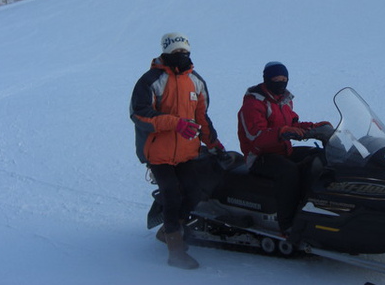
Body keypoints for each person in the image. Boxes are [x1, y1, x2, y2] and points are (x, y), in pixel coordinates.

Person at [130, 32, 225, 270]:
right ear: (166, 52)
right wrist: (175, 123)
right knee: (172, 194)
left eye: (184, 52)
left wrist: (214, 144)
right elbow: (139, 114)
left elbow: (201, 117)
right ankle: (176, 251)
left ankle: (168, 229)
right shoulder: (151, 80)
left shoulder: (196, 81)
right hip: (158, 153)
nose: (181, 56)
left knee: (194, 193)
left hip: (186, 152)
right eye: (176, 53)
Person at [237, 61, 331, 233]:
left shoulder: (284, 100)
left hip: (283, 150)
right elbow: (255, 137)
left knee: (318, 156)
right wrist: (282, 132)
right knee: (289, 172)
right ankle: (287, 225)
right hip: (259, 156)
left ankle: (317, 209)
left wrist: (315, 128)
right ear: (267, 79)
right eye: (276, 79)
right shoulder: (253, 104)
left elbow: (293, 122)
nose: (281, 82)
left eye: (284, 79)